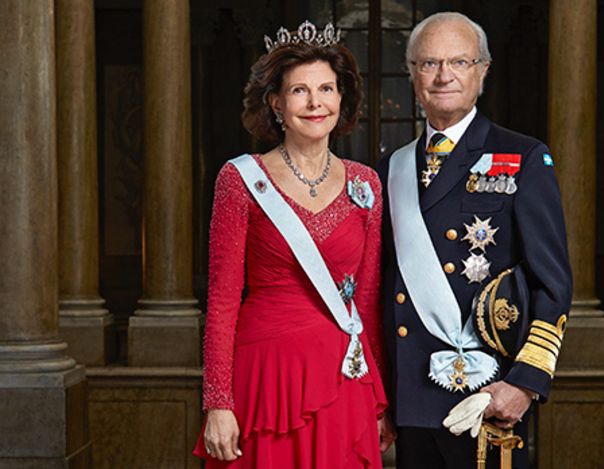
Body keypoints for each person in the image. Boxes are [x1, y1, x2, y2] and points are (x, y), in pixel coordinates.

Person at [193, 21, 394, 469]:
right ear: (276, 103)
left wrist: (378, 399)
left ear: (341, 99)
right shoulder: (241, 179)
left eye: (326, 89)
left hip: (344, 376)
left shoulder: (366, 184)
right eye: (300, 91)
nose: (315, 102)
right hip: (268, 374)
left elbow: (366, 298)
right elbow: (222, 300)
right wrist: (218, 402)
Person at [377, 12, 572, 469]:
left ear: (482, 71)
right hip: (412, 396)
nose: (443, 75)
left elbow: (553, 284)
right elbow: (380, 287)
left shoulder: (523, 157)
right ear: (412, 74)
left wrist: (525, 383)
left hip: (490, 395)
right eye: (429, 63)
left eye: (459, 62)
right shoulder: (390, 170)